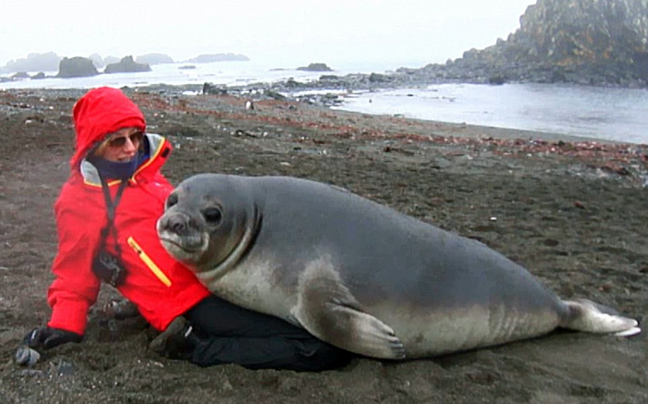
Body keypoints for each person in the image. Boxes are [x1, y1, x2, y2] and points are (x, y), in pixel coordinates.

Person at [22, 87, 352, 371]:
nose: (131, 148)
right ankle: (193, 348)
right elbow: (74, 270)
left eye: (135, 137)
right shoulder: (78, 200)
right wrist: (66, 324)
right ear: (94, 147)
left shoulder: (146, 175)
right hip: (187, 304)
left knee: (316, 321)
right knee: (322, 348)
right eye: (117, 141)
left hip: (218, 276)